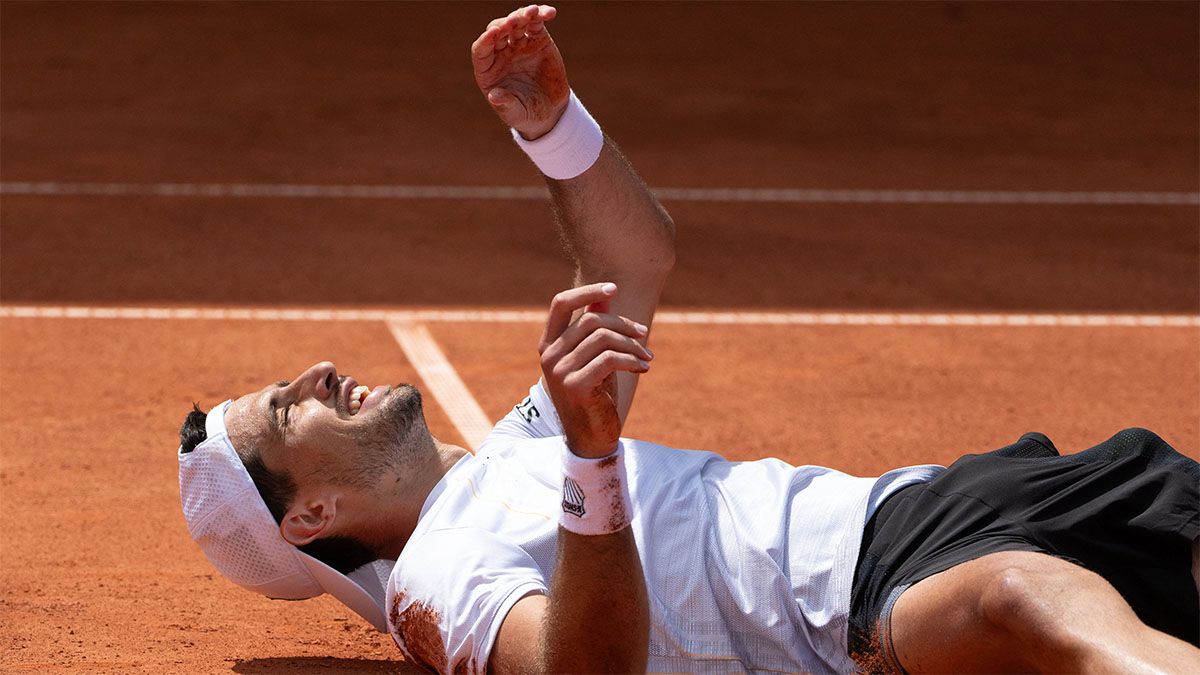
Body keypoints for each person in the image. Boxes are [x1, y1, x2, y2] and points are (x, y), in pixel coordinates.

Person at [178, 5, 1200, 673]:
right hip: (874, 603)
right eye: (287, 411)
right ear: (310, 514)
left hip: (930, 504)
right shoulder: (435, 579)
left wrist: (554, 127)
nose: (315, 375)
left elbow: (635, 258)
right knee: (1030, 596)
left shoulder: (512, 451)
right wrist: (592, 461)